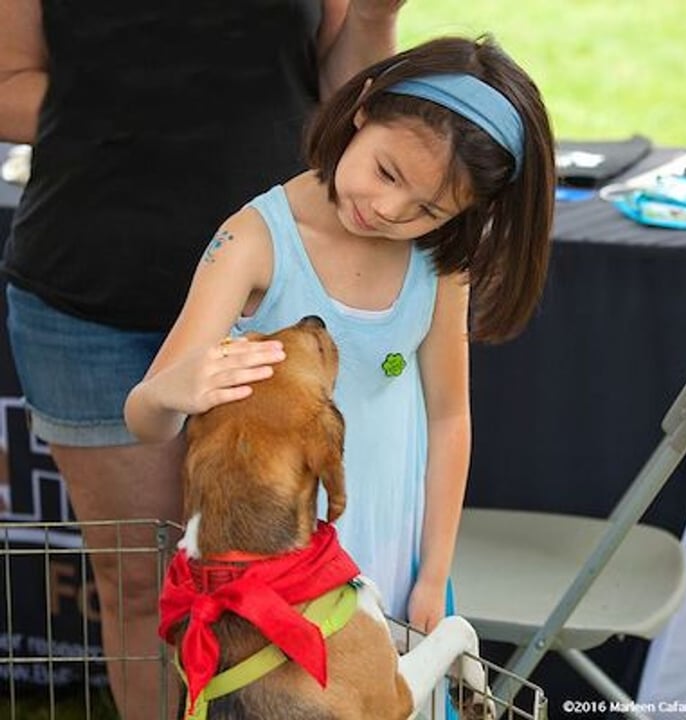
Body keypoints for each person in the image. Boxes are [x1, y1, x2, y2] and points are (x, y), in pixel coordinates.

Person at [0, 2, 404, 718]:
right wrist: (151, 101)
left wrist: (376, 16)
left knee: (302, 583)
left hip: (278, 292)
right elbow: (6, 86)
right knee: (143, 590)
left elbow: (341, 92)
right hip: (94, 298)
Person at [125, 35, 555, 634]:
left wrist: (433, 574)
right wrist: (176, 390)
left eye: (430, 209)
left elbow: (448, 418)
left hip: (393, 552)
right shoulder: (254, 242)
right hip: (276, 573)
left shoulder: (437, 259)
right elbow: (144, 418)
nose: (391, 211)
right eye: (386, 172)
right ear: (365, 107)